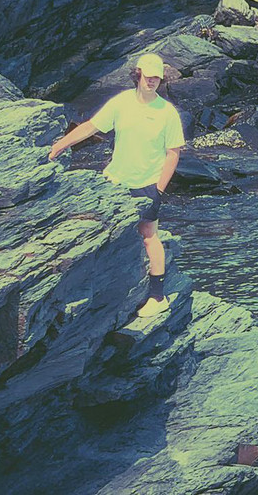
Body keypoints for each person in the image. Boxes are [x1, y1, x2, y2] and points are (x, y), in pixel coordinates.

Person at [48, 53, 185, 318]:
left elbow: (173, 153)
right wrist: (59, 146)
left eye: (156, 78)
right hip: (115, 180)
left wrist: (159, 190)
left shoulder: (167, 112)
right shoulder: (121, 103)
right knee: (99, 231)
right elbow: (90, 127)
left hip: (147, 183)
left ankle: (158, 297)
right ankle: (94, 291)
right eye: (148, 77)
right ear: (138, 75)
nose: (152, 82)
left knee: (149, 236)